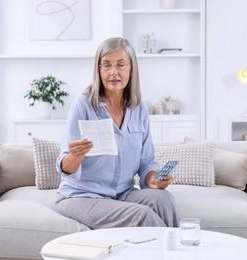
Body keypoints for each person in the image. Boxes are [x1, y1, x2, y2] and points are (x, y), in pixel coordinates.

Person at [54, 37, 178, 229]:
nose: (113, 72)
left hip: (122, 194)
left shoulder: (139, 108)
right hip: (81, 196)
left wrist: (153, 179)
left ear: (131, 69)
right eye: (106, 65)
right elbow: (66, 167)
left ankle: (175, 251)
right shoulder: (84, 105)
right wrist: (75, 156)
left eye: (121, 65)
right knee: (142, 215)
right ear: (98, 69)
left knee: (164, 199)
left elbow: (146, 162)